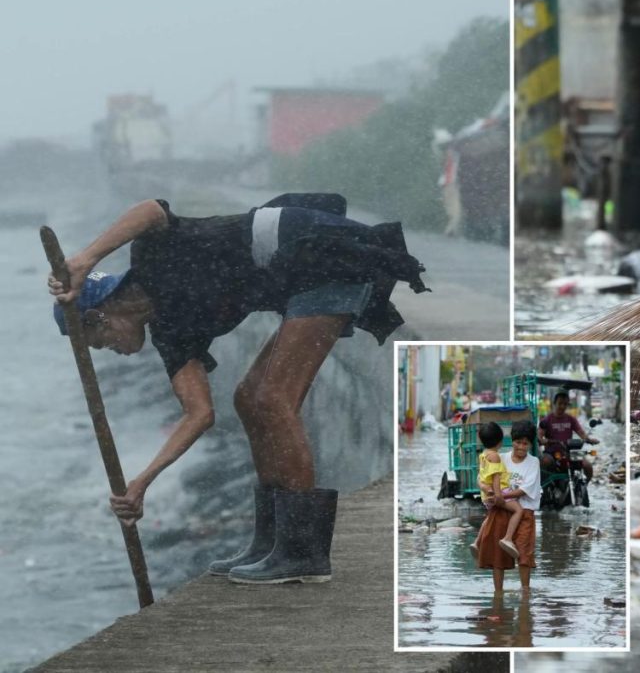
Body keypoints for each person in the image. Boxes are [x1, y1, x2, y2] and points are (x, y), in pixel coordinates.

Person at [48, 193, 428, 584]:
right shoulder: (171, 333)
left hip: (323, 254)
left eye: (99, 343)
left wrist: (85, 259)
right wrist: (143, 482)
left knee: (273, 398)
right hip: (301, 280)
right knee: (248, 399)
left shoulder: (152, 257)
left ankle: (303, 553)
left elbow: (151, 209)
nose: (111, 350)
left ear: (99, 317)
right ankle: (270, 543)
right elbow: (199, 414)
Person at [469, 422, 523, 560]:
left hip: (486, 496)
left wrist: (486, 489)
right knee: (518, 510)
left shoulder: (484, 455)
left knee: (489, 518)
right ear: (500, 440)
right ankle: (508, 538)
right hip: (498, 493)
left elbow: (482, 476)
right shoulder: (495, 456)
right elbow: (495, 477)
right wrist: (499, 495)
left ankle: (477, 543)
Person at [501, 420, 541, 592]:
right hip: (504, 511)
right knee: (500, 554)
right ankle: (498, 592)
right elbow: (488, 478)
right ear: (512, 440)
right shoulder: (501, 459)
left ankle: (525, 591)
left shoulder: (533, 462)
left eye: (525, 443)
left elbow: (524, 490)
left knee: (524, 553)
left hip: (525, 513)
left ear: (531, 444)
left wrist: (500, 495)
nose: (521, 447)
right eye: (518, 442)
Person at [538, 390, 598, 480]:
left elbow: (581, 432)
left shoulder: (571, 419)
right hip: (552, 453)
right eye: (560, 403)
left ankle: (582, 489)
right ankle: (545, 490)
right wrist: (542, 440)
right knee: (545, 461)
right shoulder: (547, 420)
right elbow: (539, 434)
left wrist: (589, 439)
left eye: (565, 404)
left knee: (588, 466)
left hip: (569, 452)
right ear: (554, 403)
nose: (562, 406)